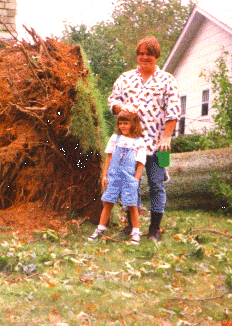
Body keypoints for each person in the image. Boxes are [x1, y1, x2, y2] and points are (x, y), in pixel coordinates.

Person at [108, 35, 180, 242]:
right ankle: (131, 226)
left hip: (160, 146)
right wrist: (122, 107)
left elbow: (174, 112)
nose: (144, 57)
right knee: (130, 184)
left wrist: (166, 137)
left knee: (158, 185)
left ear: (156, 56)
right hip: (130, 145)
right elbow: (112, 102)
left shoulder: (167, 80)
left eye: (149, 53)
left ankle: (154, 230)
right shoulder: (125, 78)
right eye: (141, 53)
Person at [88, 111, 146, 245]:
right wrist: (105, 175)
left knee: (132, 205)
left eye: (126, 123)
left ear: (134, 124)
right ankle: (100, 229)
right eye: (120, 123)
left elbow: (140, 164)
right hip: (113, 177)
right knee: (108, 203)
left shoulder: (139, 142)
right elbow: (108, 157)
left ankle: (135, 232)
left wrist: (135, 181)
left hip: (129, 179)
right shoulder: (115, 138)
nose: (123, 126)